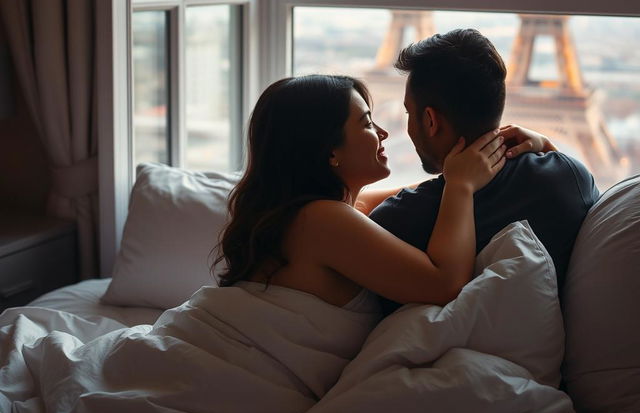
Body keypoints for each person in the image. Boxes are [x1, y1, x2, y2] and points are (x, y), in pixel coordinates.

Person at [214, 73, 541, 314]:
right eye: (367, 123)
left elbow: (439, 185)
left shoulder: (329, 210)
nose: (383, 133)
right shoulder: (322, 220)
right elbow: (443, 285)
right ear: (330, 151)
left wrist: (531, 147)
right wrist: (461, 187)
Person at [359, 29, 600, 315]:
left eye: (410, 113)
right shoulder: (572, 178)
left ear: (431, 121)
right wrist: (547, 148)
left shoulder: (397, 221)